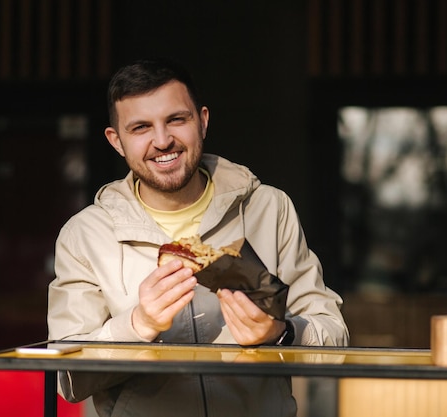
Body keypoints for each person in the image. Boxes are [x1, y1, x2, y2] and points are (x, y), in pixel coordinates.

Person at [47, 58, 349, 417]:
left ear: (202, 120)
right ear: (116, 141)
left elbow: (335, 343)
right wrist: (138, 325)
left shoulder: (269, 208)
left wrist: (281, 334)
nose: (162, 141)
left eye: (176, 119)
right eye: (141, 127)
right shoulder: (84, 235)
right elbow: (68, 380)